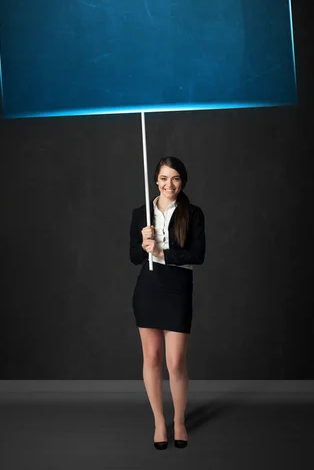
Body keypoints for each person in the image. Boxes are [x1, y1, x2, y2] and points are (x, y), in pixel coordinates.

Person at [129, 156, 205, 450]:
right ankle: (160, 422)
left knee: (175, 363)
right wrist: (143, 243)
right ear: (156, 180)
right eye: (163, 178)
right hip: (148, 289)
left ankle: (180, 421)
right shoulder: (141, 213)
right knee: (152, 359)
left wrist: (163, 253)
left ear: (182, 181)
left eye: (175, 178)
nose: (168, 184)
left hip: (177, 290)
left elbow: (198, 255)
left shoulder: (193, 213)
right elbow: (133, 257)